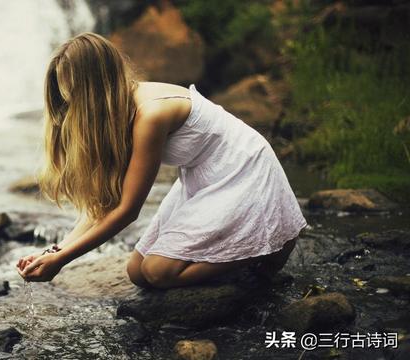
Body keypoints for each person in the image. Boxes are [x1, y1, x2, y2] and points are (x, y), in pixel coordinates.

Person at [16, 32, 307, 289]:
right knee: (136, 272)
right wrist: (53, 252)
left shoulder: (150, 115)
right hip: (202, 175)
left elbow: (128, 210)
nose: (71, 108)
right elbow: (103, 207)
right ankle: (247, 248)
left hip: (241, 169)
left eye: (75, 97)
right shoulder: (117, 112)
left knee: (157, 272)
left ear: (95, 91)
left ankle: (264, 249)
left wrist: (64, 260)